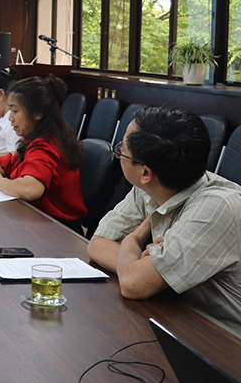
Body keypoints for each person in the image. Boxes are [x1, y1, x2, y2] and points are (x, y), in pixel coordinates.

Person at [87, 107, 241, 338]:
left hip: (224, 338)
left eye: (123, 150)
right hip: (177, 316)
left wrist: (133, 240)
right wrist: (142, 266)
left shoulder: (217, 207)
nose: (120, 153)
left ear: (145, 173)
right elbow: (98, 243)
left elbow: (133, 284)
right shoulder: (150, 186)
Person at [0, 75, 86, 228]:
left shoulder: (45, 146)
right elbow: (11, 162)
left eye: (15, 111)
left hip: (57, 230)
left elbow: (30, 189)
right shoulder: (39, 138)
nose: (10, 118)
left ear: (38, 113)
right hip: (40, 222)